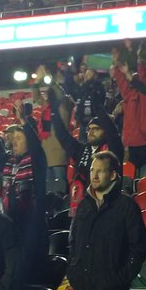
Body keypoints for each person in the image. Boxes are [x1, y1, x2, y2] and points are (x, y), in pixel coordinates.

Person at [67, 152, 146, 290]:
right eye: (92, 170)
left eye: (100, 170)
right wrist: (74, 272)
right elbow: (73, 242)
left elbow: (138, 248)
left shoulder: (126, 207)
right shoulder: (84, 206)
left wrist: (120, 277)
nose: (94, 175)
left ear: (113, 175)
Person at [0, 103, 48, 280]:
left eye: (19, 138)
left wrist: (24, 121)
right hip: (12, 222)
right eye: (13, 138)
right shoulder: (9, 162)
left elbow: (36, 147)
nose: (13, 141)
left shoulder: (36, 161)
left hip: (32, 225)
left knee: (28, 271)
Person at [49, 80, 123, 215]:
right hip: (81, 210)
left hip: (106, 210)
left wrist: (98, 107)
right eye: (89, 129)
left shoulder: (113, 149)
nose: (91, 132)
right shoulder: (82, 150)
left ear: (105, 131)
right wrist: (54, 112)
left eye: (96, 129)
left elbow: (112, 133)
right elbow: (63, 136)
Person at [112, 60, 146, 170]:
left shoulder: (145, 95)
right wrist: (117, 66)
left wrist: (140, 61)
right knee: (130, 177)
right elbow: (122, 83)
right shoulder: (129, 95)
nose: (132, 80)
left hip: (144, 142)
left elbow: (144, 80)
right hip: (131, 143)